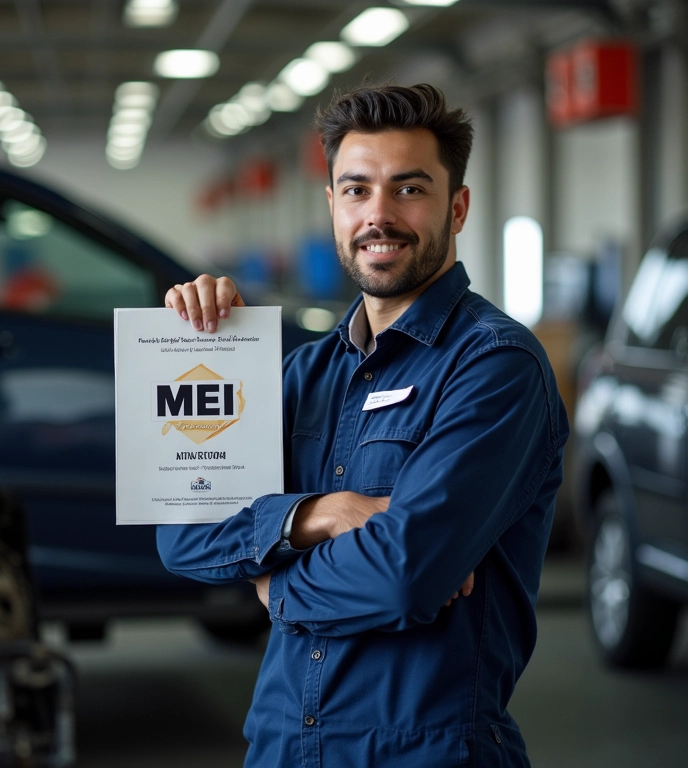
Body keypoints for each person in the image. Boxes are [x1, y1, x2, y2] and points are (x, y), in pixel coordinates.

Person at [157, 82, 569, 767]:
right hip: (283, 744)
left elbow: (406, 574)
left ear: (457, 206)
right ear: (332, 206)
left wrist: (273, 584)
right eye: (356, 190)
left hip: (423, 753)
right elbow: (182, 534)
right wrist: (316, 513)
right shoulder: (301, 373)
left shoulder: (496, 367)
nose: (379, 214)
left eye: (409, 189)